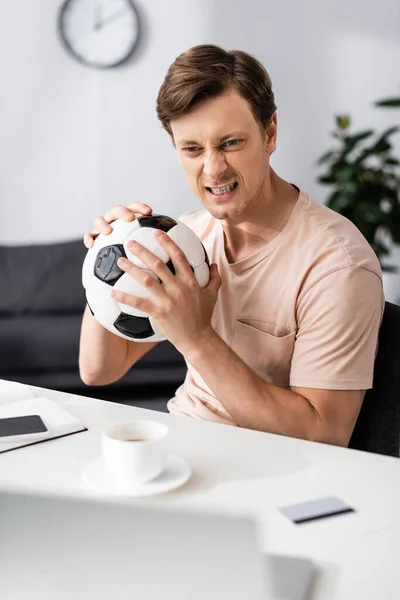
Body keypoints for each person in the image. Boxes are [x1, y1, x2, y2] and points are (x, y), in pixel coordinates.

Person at [80, 44, 384, 446]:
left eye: (230, 143)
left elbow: (324, 435)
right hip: (181, 446)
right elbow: (99, 370)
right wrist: (108, 260)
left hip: (275, 473)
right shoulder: (186, 240)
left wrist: (197, 338)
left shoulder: (337, 265)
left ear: (269, 132)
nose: (213, 168)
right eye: (192, 149)